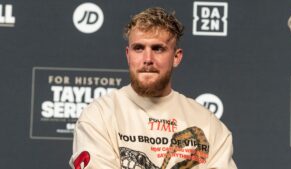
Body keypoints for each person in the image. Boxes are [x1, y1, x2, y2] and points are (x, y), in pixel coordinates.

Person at [69, 7, 237, 169]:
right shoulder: (99, 116)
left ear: (176, 57)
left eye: (158, 49)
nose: (147, 59)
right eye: (139, 48)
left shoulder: (207, 124)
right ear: (128, 55)